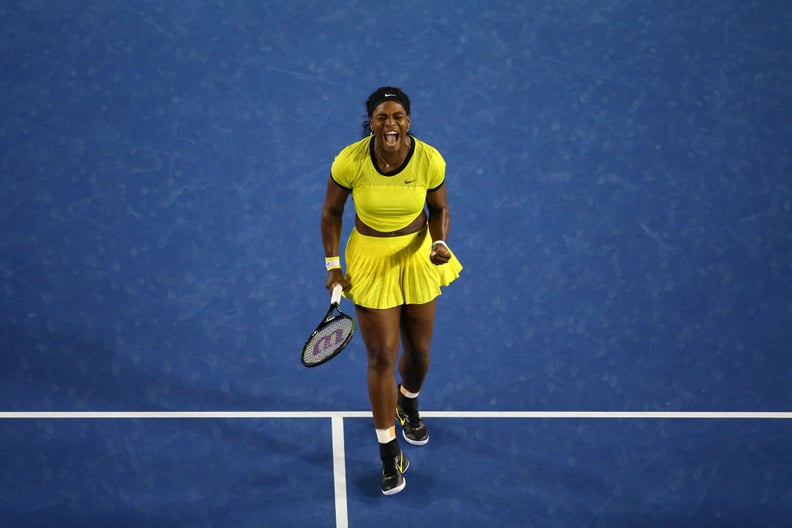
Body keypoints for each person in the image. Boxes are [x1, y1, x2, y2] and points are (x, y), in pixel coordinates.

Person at [320, 86, 462, 495]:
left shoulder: (429, 159)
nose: (391, 124)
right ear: (372, 123)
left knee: (418, 354)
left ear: (408, 120)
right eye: (382, 117)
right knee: (381, 356)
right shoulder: (351, 160)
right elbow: (331, 212)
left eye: (398, 116)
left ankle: (408, 401)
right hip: (370, 258)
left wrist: (440, 242)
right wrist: (333, 267)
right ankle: (388, 454)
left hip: (418, 255)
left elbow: (439, 208)